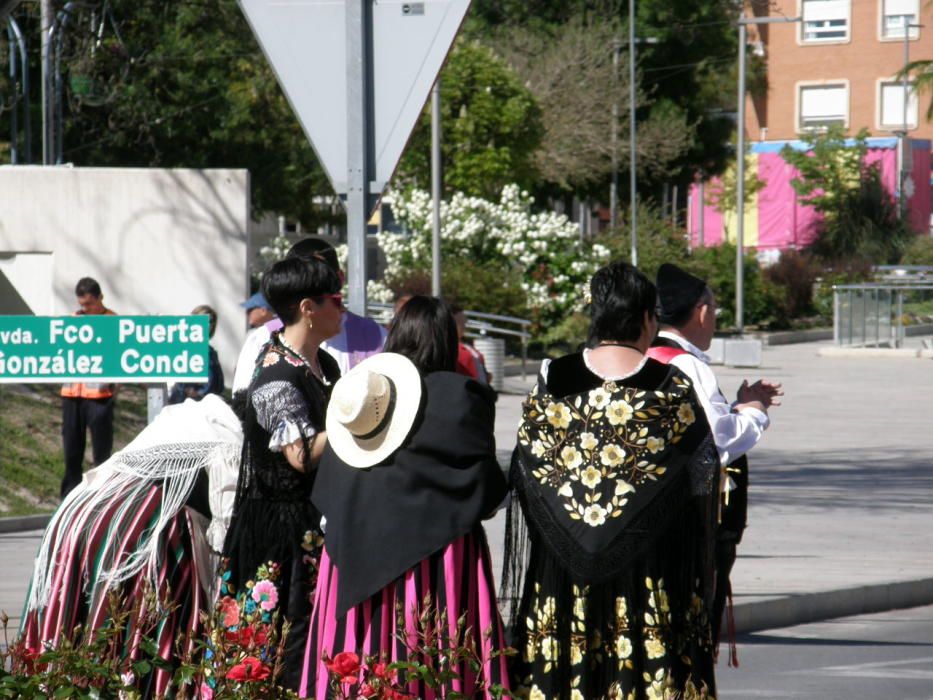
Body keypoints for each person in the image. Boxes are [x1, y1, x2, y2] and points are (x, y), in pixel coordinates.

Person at [504, 262, 720, 700]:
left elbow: (526, 469)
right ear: (646, 319)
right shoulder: (669, 387)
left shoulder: (552, 380)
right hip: (648, 580)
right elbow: (702, 473)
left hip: (562, 584)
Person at [301, 296, 510, 699]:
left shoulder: (365, 391)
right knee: (434, 662)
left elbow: (333, 486)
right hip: (436, 561)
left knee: (359, 663)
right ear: (447, 341)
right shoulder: (460, 396)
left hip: (353, 547)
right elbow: (484, 490)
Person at [21, 394, 243, 698]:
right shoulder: (226, 438)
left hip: (80, 515)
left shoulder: (183, 423)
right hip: (140, 529)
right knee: (129, 630)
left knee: (79, 627)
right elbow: (227, 523)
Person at [221, 254, 344, 691]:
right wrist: (353, 417)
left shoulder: (323, 365)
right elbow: (302, 455)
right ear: (309, 308)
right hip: (277, 532)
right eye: (335, 298)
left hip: (312, 522)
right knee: (273, 646)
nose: (342, 307)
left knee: (307, 642)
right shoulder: (275, 374)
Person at [649, 263, 782, 653]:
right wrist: (754, 411)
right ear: (702, 311)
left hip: (654, 516)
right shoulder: (686, 364)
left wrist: (738, 404)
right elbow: (714, 441)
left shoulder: (647, 356)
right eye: (715, 310)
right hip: (693, 524)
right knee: (692, 639)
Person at [231, 238, 386, 393]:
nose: (313, 287)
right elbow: (243, 407)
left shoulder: (375, 336)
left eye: (322, 280)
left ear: (339, 278)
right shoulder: (262, 340)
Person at [60, 277, 118, 499]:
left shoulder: (112, 321)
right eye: (82, 304)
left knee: (102, 454)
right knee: (71, 453)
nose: (85, 309)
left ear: (100, 298)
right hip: (72, 395)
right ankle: (69, 500)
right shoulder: (73, 321)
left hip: (99, 396)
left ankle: (101, 498)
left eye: (89, 304)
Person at [168, 304, 225, 404]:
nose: (209, 325)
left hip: (209, 407)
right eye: (204, 320)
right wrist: (197, 394)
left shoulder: (211, 352)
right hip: (187, 408)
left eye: (211, 321)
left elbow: (217, 385)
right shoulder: (185, 351)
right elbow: (182, 387)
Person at [451, 303, 491, 385]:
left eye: (464, 323)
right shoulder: (451, 350)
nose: (465, 327)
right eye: (461, 323)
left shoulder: (466, 347)